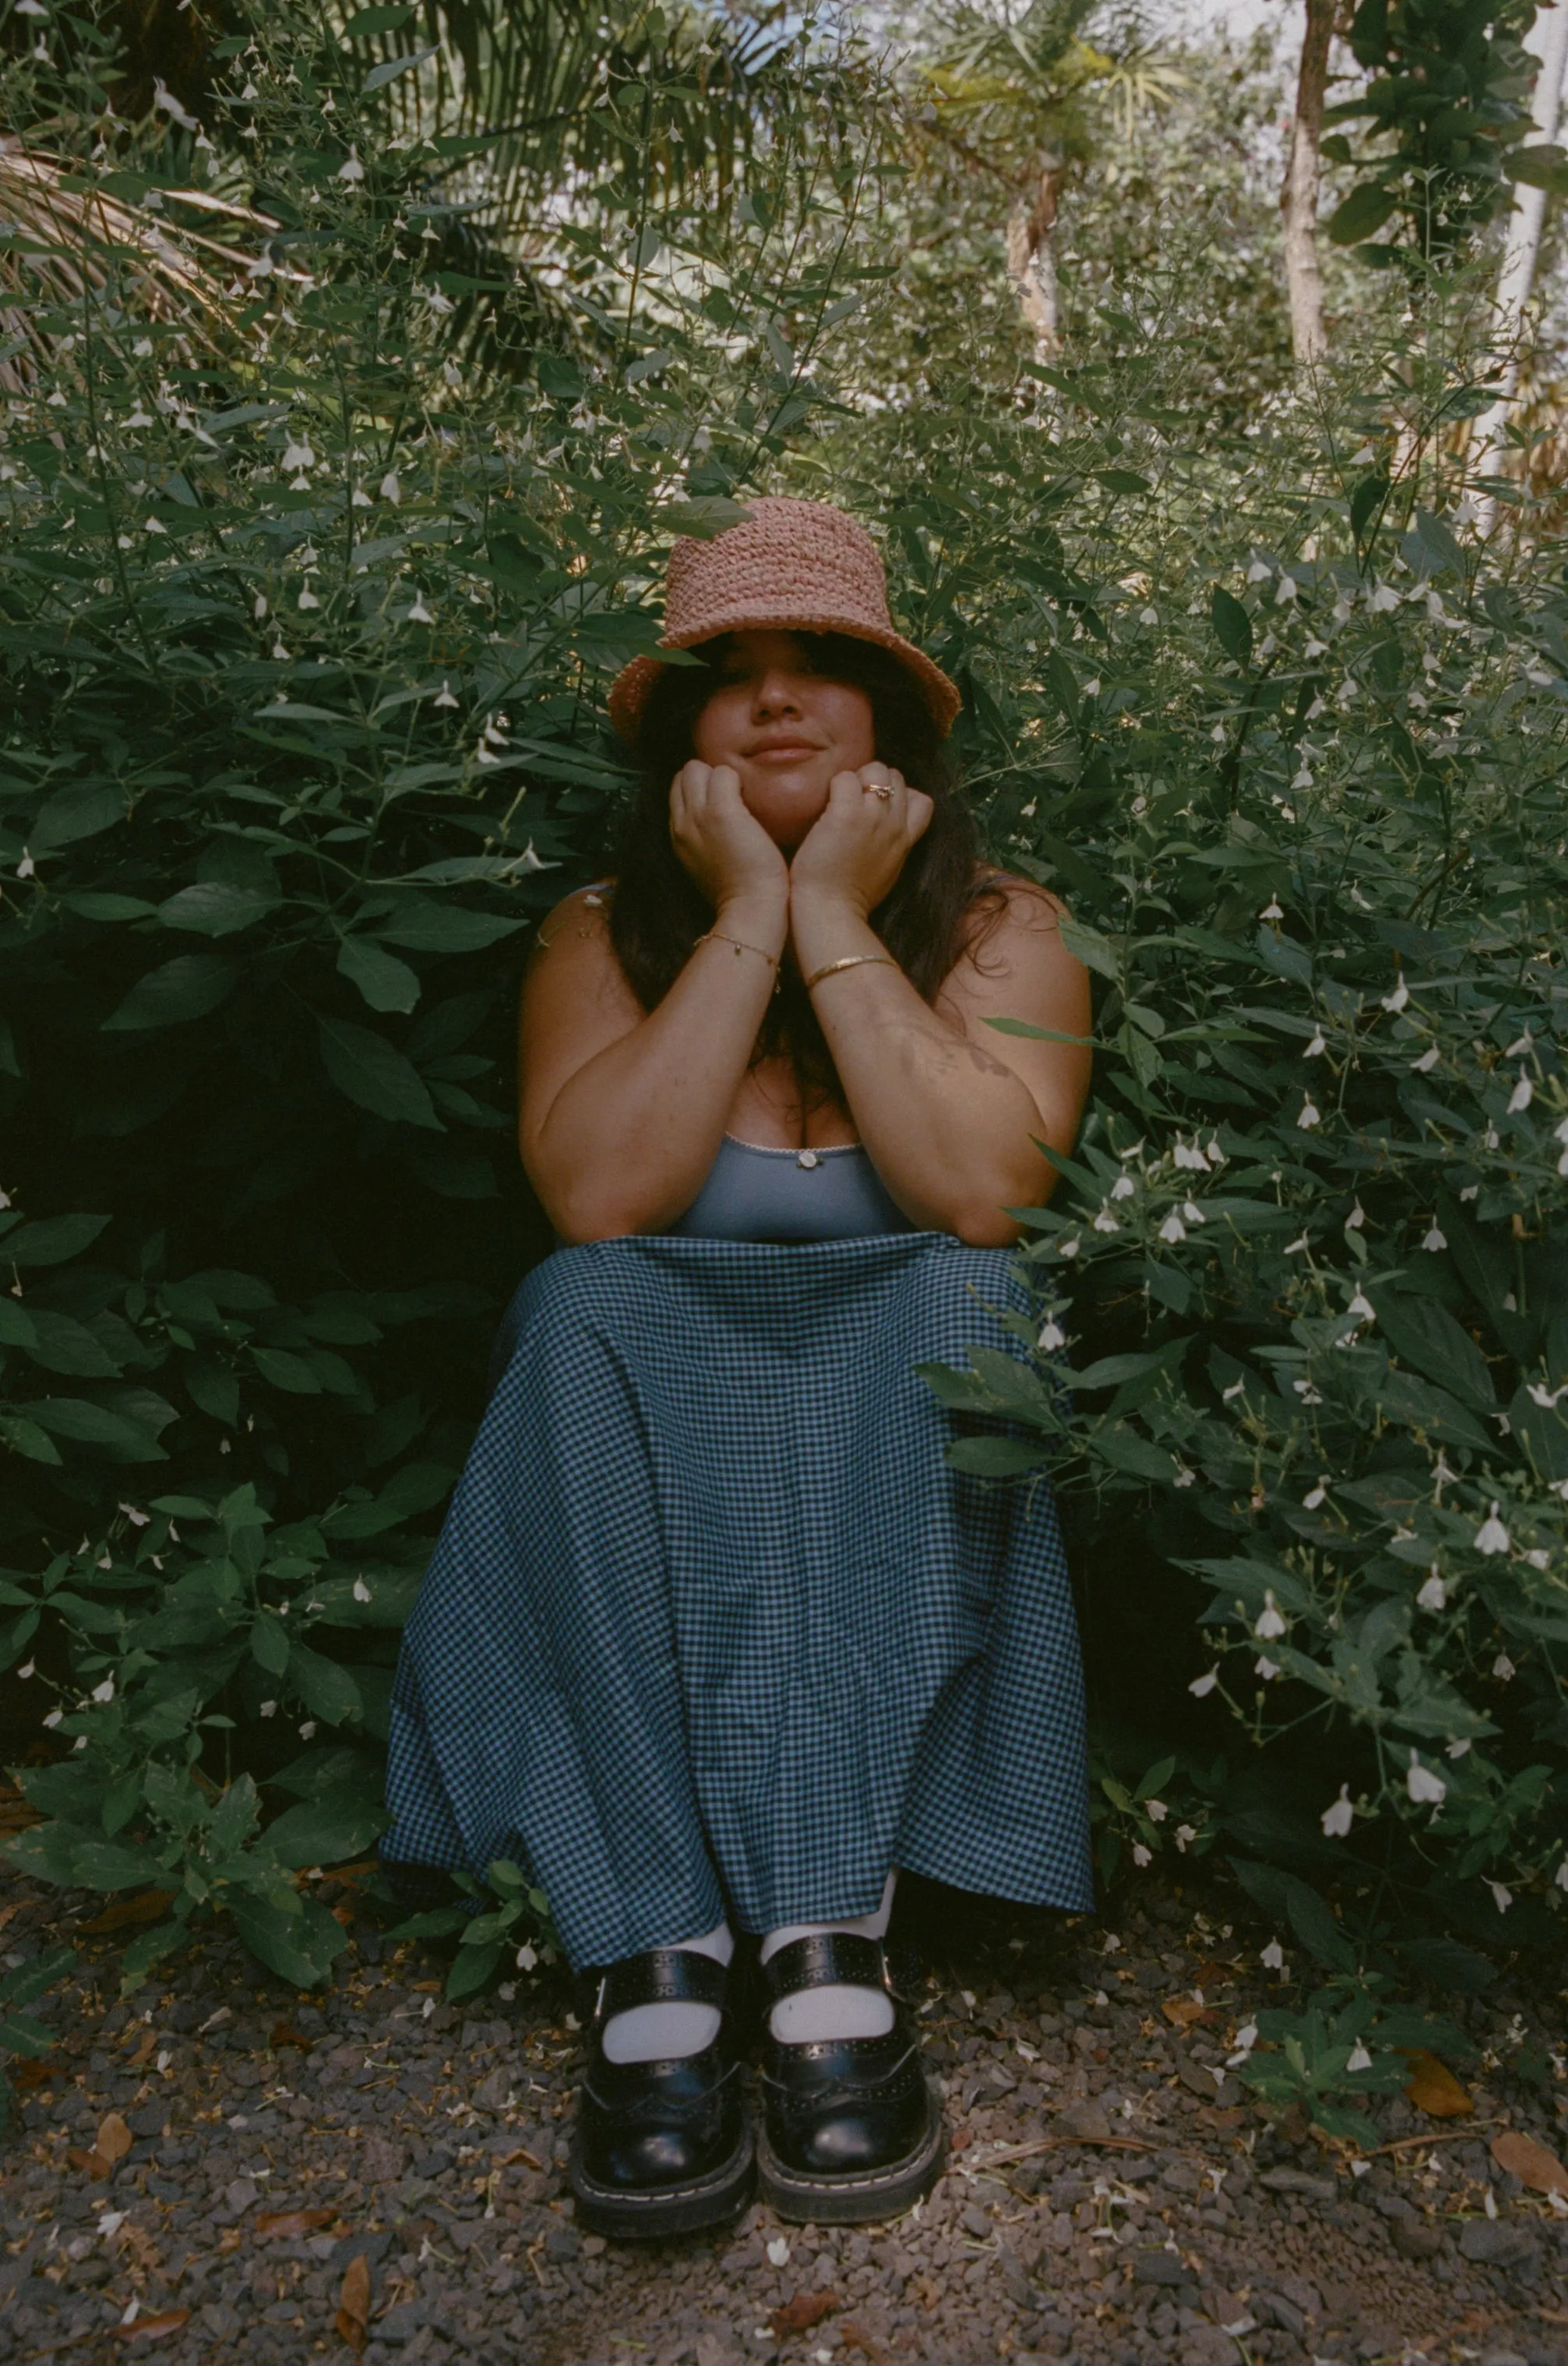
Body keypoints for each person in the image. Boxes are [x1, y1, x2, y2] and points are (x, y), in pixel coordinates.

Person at [382, 497, 1096, 2240]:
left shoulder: (1007, 927)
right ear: (683, 734)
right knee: (585, 1302)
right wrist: (744, 915)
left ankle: (827, 1923)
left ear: (891, 725)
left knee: (960, 1309)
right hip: (648, 1379)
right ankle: (660, 1942)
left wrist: (838, 909)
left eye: (821, 669)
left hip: (889, 1386)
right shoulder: (598, 930)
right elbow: (601, 1196)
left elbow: (986, 1193)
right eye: (733, 676)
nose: (775, 704)